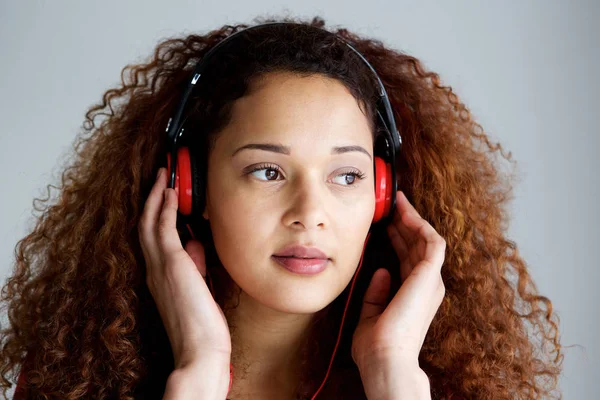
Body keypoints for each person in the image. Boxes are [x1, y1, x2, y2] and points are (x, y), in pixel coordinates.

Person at [0, 15, 563, 400]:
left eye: (347, 175)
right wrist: (198, 371)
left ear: (381, 195)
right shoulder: (68, 379)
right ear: (191, 187)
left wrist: (394, 374)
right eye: (267, 171)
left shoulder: (435, 380)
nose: (310, 212)